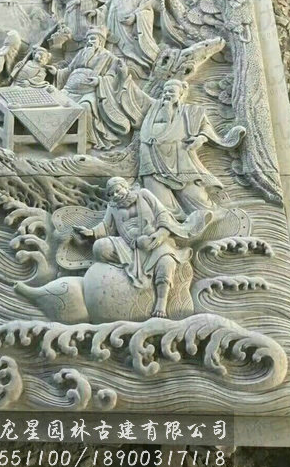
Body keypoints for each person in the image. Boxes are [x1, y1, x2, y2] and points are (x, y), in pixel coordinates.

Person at [75, 177, 212, 318]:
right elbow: (106, 226)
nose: (115, 195)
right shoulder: (113, 206)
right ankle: (128, 270)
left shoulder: (143, 194)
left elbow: (162, 214)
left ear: (125, 187)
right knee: (100, 247)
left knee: (166, 261)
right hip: (128, 244)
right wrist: (91, 232)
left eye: (117, 191)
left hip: (153, 240)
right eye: (111, 194)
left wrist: (160, 235)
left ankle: (161, 301)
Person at [139, 79, 246, 220]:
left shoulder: (191, 111)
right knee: (159, 201)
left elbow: (205, 126)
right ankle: (171, 223)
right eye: (164, 92)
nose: (166, 94)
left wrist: (201, 138)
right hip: (151, 158)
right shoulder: (153, 109)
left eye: (171, 92)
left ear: (180, 94)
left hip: (180, 156)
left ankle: (217, 218)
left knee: (195, 195)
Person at [56, 27, 147, 150]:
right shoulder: (81, 53)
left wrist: (99, 80)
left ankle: (88, 139)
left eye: (93, 39)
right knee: (56, 104)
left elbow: (112, 76)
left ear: (101, 41)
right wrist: (57, 73)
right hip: (69, 89)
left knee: (86, 107)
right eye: (88, 39)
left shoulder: (108, 56)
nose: (90, 42)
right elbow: (69, 69)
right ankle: (56, 137)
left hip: (89, 91)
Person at [102, 0, 159, 76]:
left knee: (127, 49)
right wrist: (97, 11)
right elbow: (106, 5)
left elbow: (146, 9)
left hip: (126, 27)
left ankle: (130, 67)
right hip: (112, 24)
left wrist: (135, 17)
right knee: (112, 45)